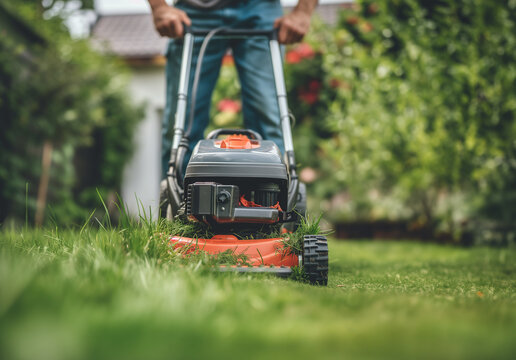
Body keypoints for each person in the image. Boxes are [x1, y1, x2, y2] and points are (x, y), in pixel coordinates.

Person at [147, 0, 318, 179]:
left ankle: (273, 201)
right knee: (180, 127)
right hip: (193, 13)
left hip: (262, 9)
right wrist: (159, 6)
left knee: (268, 121)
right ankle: (177, 203)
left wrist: (303, 11)